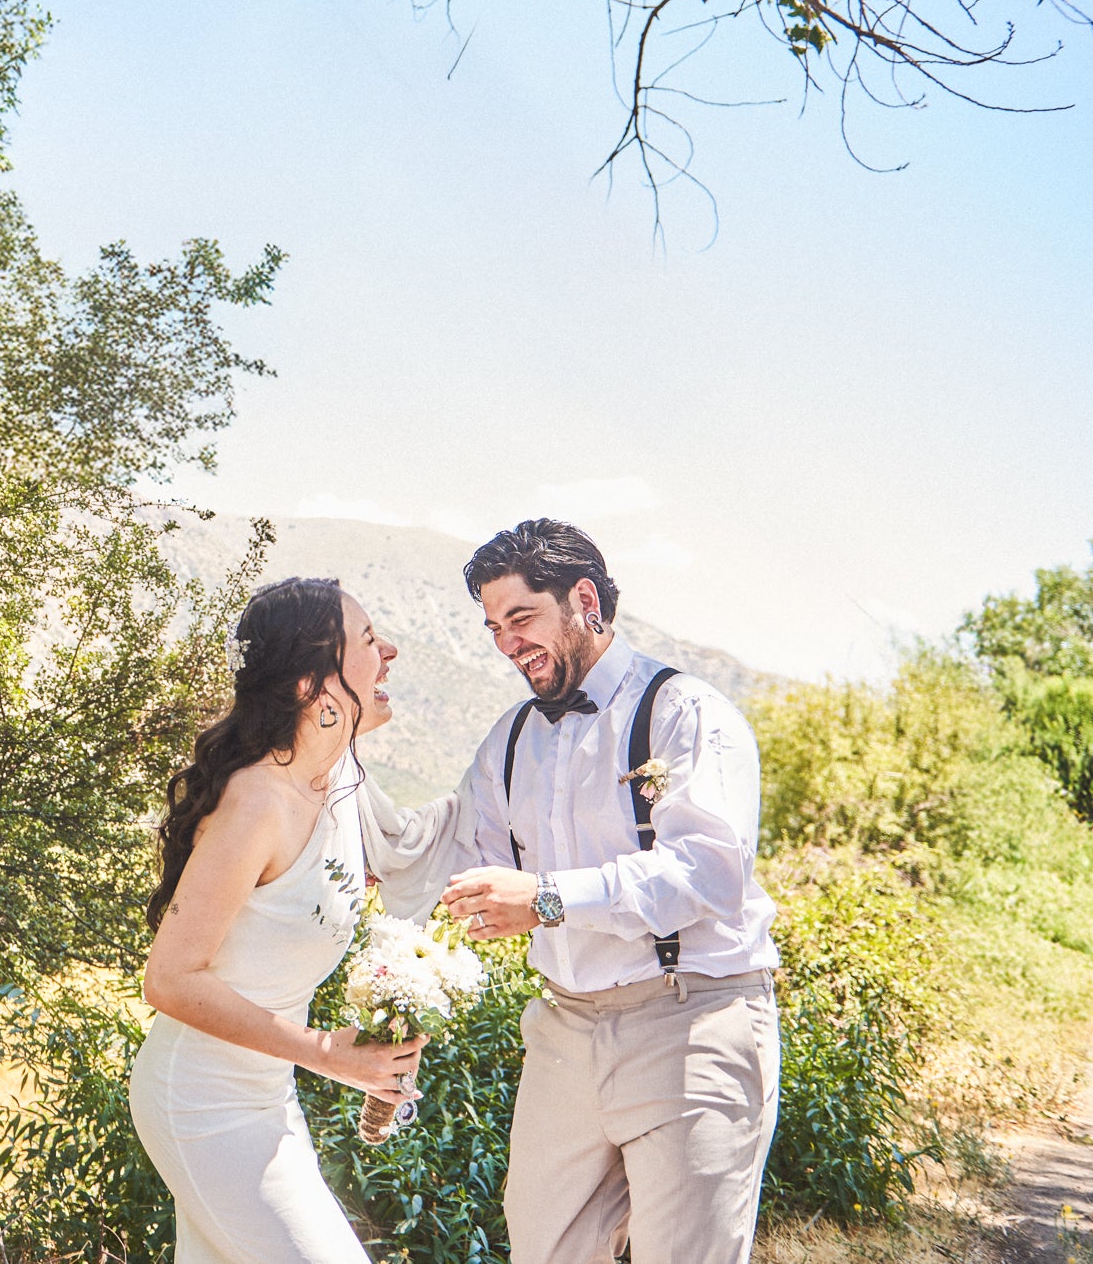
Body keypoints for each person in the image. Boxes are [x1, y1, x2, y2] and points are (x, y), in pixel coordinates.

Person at [436, 519, 782, 1264]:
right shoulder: (508, 739)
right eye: (493, 625)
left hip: (692, 1016)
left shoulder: (686, 714)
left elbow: (709, 872)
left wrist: (548, 899)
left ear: (583, 600)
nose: (505, 642)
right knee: (542, 1249)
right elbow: (462, 857)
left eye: (520, 617)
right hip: (563, 1030)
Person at [128, 576, 417, 1264]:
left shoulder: (341, 780)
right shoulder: (256, 803)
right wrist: (328, 1055)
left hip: (267, 1099)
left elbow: (421, 853)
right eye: (369, 641)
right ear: (309, 686)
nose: (391, 653)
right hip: (200, 1102)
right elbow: (169, 980)